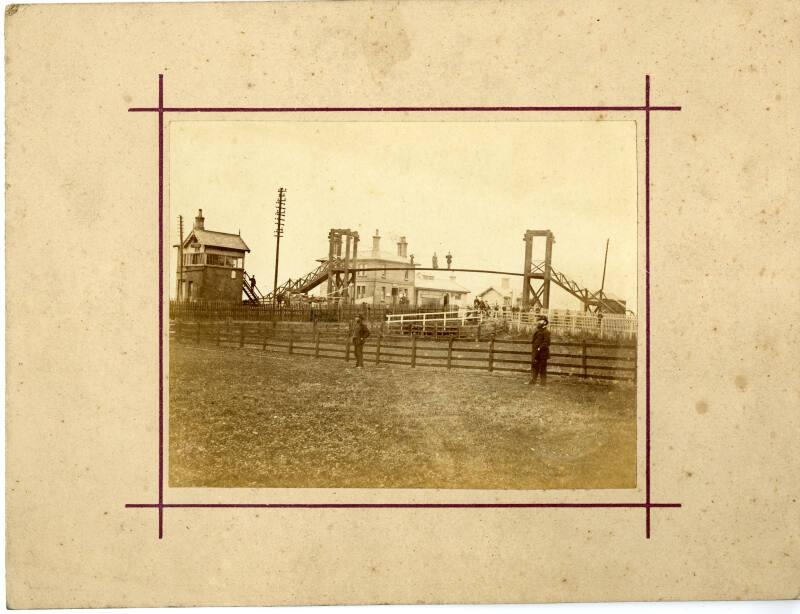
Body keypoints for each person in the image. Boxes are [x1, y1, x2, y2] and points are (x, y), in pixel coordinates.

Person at [529, 315, 551, 386]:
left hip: (542, 353)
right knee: (535, 367)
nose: (538, 322)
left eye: (540, 321)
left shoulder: (546, 332)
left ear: (545, 322)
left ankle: (542, 383)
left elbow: (547, 343)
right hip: (536, 352)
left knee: (542, 368)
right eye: (538, 321)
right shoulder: (538, 331)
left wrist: (539, 348)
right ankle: (533, 381)